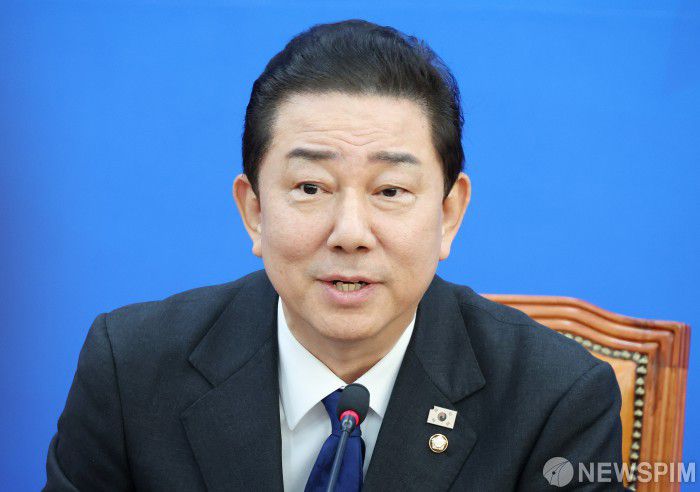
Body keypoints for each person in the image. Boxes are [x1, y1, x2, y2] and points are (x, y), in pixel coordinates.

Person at [44, 19, 623, 491]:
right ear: (254, 210)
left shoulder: (554, 400)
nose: (350, 233)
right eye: (310, 187)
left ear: (449, 214)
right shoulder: (130, 370)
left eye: (390, 191)